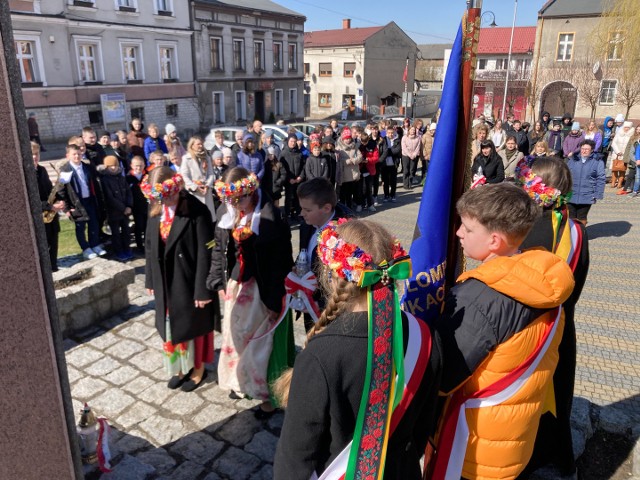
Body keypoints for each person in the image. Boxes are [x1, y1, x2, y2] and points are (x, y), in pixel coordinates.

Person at [274, 218, 442, 480]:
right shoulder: (425, 336)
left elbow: (294, 458)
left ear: (331, 277)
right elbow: (423, 427)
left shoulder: (319, 356)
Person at [431, 183, 575, 480]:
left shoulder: (481, 297)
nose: (458, 233)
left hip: (474, 446)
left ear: (494, 240)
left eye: (468, 229)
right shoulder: (543, 278)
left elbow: (445, 375)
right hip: (515, 436)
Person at [516, 156, 589, 478]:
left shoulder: (526, 232)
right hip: (563, 330)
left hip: (528, 334)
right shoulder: (575, 232)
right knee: (557, 398)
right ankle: (558, 462)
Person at [207, 167, 294, 417]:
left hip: (262, 287)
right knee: (235, 336)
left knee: (260, 340)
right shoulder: (227, 213)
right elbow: (219, 250)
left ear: (251, 191)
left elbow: (281, 261)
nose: (236, 205)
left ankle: (266, 393)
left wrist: (277, 295)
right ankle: (239, 381)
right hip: (237, 284)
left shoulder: (272, 217)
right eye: (230, 200)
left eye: (240, 199)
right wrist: (217, 280)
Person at [143, 167, 218, 392]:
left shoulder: (197, 211)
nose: (165, 201)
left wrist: (203, 291)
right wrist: (149, 279)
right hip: (166, 281)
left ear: (177, 187)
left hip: (189, 281)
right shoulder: (156, 209)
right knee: (171, 326)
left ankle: (197, 369)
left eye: (168, 195)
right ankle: (180, 367)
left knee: (193, 325)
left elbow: (207, 253)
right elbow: (149, 246)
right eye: (160, 197)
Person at [58, 144, 106, 260]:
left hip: (89, 199)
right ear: (68, 156)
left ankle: (94, 244)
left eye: (79, 154)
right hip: (76, 203)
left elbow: (94, 183)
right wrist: (67, 208)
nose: (77, 156)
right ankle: (85, 248)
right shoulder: (65, 170)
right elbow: (62, 190)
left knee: (93, 224)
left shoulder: (87, 167)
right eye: (74, 154)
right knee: (80, 227)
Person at [33, 141, 62, 270]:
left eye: (36, 154)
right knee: (42, 248)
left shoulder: (42, 170)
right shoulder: (25, 174)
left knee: (54, 242)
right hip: (39, 216)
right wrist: (48, 207)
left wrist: (58, 201)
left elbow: (50, 190)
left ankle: (54, 267)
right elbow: (30, 200)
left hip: (50, 216)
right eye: (31, 154)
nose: (35, 157)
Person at [98, 156, 133, 261]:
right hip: (114, 211)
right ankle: (118, 251)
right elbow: (109, 197)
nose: (113, 168)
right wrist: (123, 208)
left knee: (126, 231)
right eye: (110, 166)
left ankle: (127, 248)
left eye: (115, 165)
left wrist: (129, 206)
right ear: (106, 167)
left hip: (125, 210)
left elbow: (128, 193)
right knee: (115, 233)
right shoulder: (105, 180)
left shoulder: (122, 178)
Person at [566, 139, 605, 224]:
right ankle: (571, 235)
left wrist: (597, 194)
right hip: (572, 193)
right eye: (582, 148)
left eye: (587, 149)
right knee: (570, 217)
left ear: (592, 150)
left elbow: (601, 178)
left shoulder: (598, 162)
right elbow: (566, 175)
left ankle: (581, 235)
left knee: (582, 217)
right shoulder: (573, 159)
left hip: (587, 194)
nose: (584, 151)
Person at [180, 136, 215, 221]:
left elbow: (211, 174)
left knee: (208, 218)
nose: (200, 146)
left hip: (206, 192)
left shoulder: (207, 157)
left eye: (201, 144)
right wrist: (194, 186)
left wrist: (207, 185)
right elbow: (184, 175)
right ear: (192, 146)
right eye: (198, 144)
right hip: (195, 193)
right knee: (197, 219)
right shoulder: (186, 158)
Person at [280, 133, 305, 219]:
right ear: (288, 141)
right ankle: (288, 214)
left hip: (298, 180)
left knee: (297, 198)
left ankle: (298, 213)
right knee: (289, 197)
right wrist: (288, 179)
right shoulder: (283, 153)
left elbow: (303, 167)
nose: (293, 143)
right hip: (288, 180)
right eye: (291, 141)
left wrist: (300, 177)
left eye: (294, 141)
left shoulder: (299, 153)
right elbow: (282, 169)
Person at [125, 156, 148, 253]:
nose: (138, 168)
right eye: (136, 166)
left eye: (141, 166)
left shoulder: (147, 176)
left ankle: (147, 244)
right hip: (135, 206)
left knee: (147, 226)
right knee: (139, 226)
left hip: (146, 205)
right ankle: (139, 246)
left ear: (144, 165)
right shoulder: (128, 178)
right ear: (132, 166)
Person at [336, 128, 362, 209]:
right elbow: (338, 160)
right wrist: (347, 161)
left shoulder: (354, 146)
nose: (348, 140)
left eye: (349, 138)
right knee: (343, 194)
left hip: (353, 174)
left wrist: (353, 160)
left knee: (350, 194)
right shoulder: (338, 148)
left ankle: (350, 209)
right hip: (344, 175)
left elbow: (360, 156)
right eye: (346, 138)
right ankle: (343, 210)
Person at [358, 132, 379, 211]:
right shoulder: (358, 146)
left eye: (365, 142)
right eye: (362, 142)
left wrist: (368, 160)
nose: (364, 143)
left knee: (368, 189)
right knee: (360, 189)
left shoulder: (373, 146)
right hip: (360, 170)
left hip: (369, 170)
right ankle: (360, 204)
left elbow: (376, 158)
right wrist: (360, 160)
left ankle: (370, 204)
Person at [611, 121, 634, 188]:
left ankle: (620, 183)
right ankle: (613, 181)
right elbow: (614, 143)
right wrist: (618, 151)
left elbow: (630, 146)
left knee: (622, 169)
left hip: (625, 154)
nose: (626, 129)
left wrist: (625, 153)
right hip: (616, 154)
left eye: (628, 127)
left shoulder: (631, 135)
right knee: (614, 169)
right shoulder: (619, 133)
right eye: (625, 127)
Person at [381, 125, 401, 202]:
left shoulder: (397, 140)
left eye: (392, 133)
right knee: (385, 181)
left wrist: (388, 151)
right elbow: (383, 151)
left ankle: (393, 195)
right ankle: (386, 195)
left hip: (394, 164)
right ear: (386, 133)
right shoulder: (383, 140)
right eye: (389, 133)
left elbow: (397, 151)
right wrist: (388, 151)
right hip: (385, 164)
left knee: (393, 181)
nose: (391, 134)